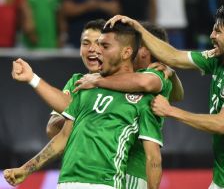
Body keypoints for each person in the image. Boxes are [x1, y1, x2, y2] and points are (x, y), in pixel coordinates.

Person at [106, 2, 224, 189]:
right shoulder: (219, 58)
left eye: (218, 31)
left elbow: (222, 124)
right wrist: (137, 27)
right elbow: (174, 56)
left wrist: (170, 111)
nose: (211, 36)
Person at [4, 22, 164, 189]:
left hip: (107, 182)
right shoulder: (85, 86)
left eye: (104, 45)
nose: (96, 50)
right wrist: (26, 169)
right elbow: (63, 136)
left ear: (126, 52)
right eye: (89, 43)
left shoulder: (144, 97)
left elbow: (154, 159)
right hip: (67, 181)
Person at [73, 21, 182, 189]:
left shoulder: (154, 77)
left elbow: (145, 83)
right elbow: (178, 95)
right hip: (112, 171)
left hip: (131, 173)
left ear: (146, 50)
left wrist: (98, 81)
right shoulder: (127, 78)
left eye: (137, 44)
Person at [46, 19, 106, 138]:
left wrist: (72, 115)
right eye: (85, 43)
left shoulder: (126, 84)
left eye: (98, 43)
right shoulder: (76, 82)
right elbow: (51, 129)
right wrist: (81, 116)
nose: (91, 49)